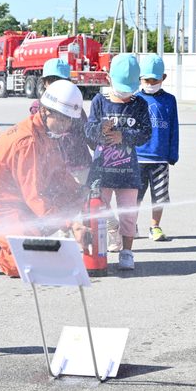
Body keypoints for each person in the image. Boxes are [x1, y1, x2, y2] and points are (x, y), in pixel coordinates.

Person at [0, 80, 89, 277]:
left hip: (19, 205)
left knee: (74, 197)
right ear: (47, 111)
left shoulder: (48, 133)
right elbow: (35, 196)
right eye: (64, 119)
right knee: (26, 264)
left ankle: (31, 240)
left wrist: (83, 194)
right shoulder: (27, 141)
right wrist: (71, 224)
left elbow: (59, 174)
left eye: (70, 121)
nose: (67, 126)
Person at [85, 53, 152, 270]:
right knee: (98, 210)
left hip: (128, 172)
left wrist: (124, 136)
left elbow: (146, 133)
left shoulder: (139, 104)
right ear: (108, 78)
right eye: (121, 87)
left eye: (129, 89)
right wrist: (99, 130)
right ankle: (100, 250)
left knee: (128, 214)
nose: (125, 93)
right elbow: (88, 131)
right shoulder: (99, 101)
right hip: (101, 171)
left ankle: (127, 252)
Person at [135, 54, 179, 242]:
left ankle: (155, 226)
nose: (151, 83)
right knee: (134, 196)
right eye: (147, 79)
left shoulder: (169, 100)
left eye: (155, 79)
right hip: (137, 157)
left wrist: (173, 153)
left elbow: (174, 127)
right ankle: (131, 225)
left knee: (159, 195)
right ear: (140, 79)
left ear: (163, 78)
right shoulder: (134, 99)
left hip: (160, 158)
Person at [29, 58, 92, 185]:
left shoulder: (75, 105)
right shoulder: (38, 107)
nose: (55, 84)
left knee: (80, 201)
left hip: (79, 165)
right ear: (44, 83)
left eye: (60, 80)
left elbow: (86, 132)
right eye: (51, 80)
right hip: (52, 167)